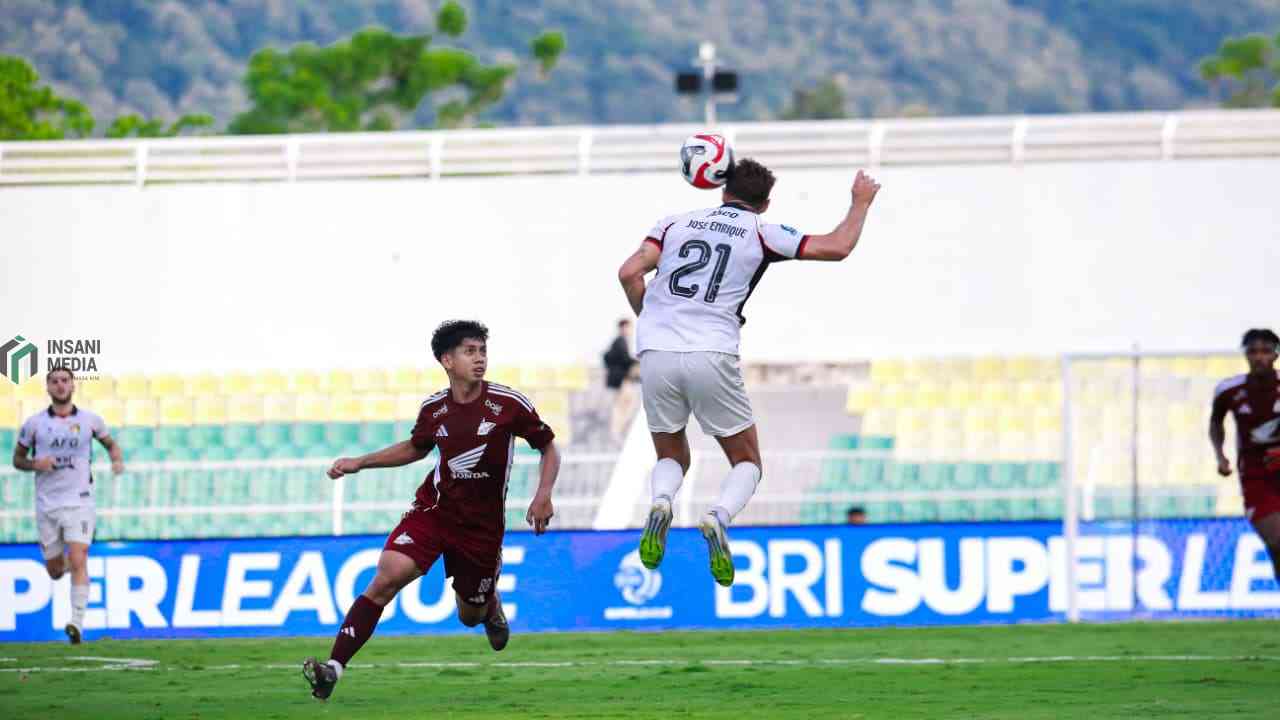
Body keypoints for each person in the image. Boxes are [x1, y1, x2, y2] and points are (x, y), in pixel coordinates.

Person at [617, 159, 881, 586]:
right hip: (713, 350)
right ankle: (718, 517)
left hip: (656, 349)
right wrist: (860, 202)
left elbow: (629, 272)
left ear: (722, 191)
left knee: (671, 454)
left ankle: (661, 502)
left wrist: (649, 317)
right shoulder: (762, 231)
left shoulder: (673, 223)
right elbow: (837, 246)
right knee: (746, 460)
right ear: (765, 203)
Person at [303, 320, 561, 700]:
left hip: (481, 530)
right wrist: (360, 462)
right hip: (434, 511)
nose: (479, 359)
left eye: (482, 351)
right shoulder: (434, 408)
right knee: (386, 577)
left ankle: (489, 607)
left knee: (468, 616)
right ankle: (333, 669)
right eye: (469, 351)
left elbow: (549, 446)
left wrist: (543, 495)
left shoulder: (509, 404)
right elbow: (415, 448)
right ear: (447, 360)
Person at [11, 366, 125, 644]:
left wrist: (116, 460)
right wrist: (35, 463)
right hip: (47, 504)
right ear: (47, 388)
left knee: (78, 558)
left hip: (80, 502)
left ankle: (76, 622)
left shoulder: (91, 421)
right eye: (54, 381)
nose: (60, 385)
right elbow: (17, 459)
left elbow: (110, 444)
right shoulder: (34, 424)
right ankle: (60, 568)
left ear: (73, 386)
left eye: (65, 381)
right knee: (54, 570)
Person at [1210, 328, 1280, 581]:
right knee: (1275, 542)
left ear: (1275, 354)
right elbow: (1215, 423)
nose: (1259, 357)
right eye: (1253, 351)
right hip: (1256, 476)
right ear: (1245, 355)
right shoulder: (1229, 390)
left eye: (1266, 351)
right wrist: (1220, 455)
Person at [603, 318, 639, 443]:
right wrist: (638, 362)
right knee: (622, 407)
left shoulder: (621, 341)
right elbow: (625, 359)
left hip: (623, 381)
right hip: (623, 380)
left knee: (625, 405)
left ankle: (619, 431)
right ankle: (617, 432)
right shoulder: (620, 341)